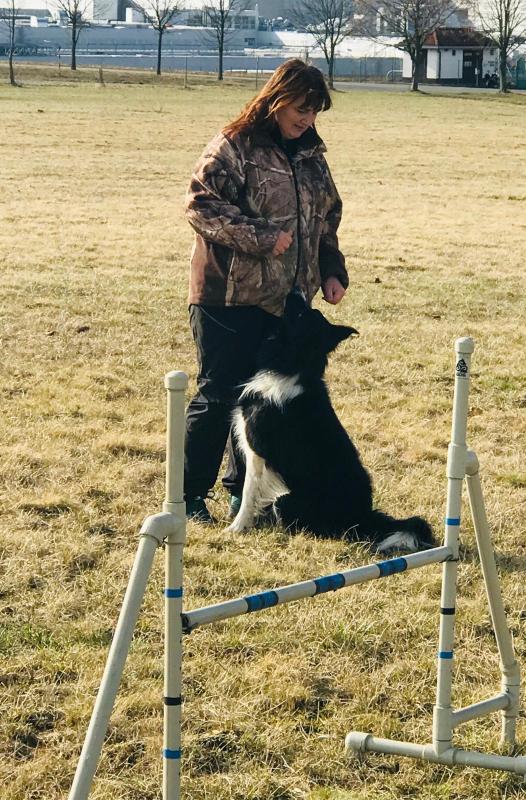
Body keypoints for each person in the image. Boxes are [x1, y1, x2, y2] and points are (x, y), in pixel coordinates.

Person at [183, 59, 349, 522]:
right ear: (276, 100)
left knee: (260, 405)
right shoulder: (234, 145)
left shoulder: (312, 156)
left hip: (286, 304)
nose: (308, 120)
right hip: (227, 298)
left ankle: (245, 495)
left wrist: (331, 270)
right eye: (301, 109)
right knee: (220, 395)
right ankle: (189, 496)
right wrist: (262, 237)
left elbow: (327, 219)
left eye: (315, 112)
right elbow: (199, 205)